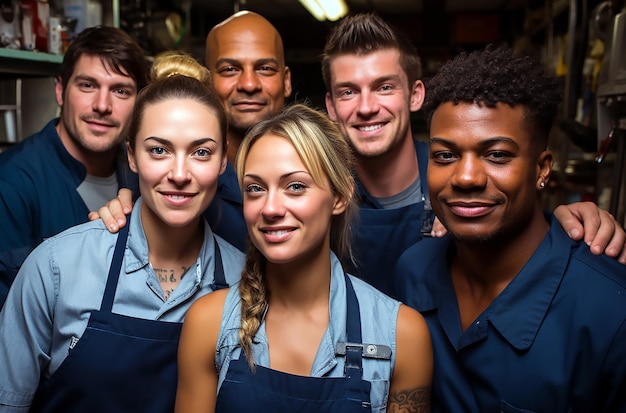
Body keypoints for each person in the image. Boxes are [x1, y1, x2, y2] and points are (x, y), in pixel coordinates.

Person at [0, 51, 244, 412]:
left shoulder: (246, 283)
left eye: (201, 152)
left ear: (223, 161)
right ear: (131, 157)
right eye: (159, 150)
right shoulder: (56, 268)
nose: (179, 173)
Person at [321, 13, 626, 298]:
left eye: (384, 87)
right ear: (331, 106)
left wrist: (567, 223)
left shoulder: (455, 180)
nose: (365, 107)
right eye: (347, 92)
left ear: (415, 95)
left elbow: (519, 222)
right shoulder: (316, 190)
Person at [395, 44, 626, 412]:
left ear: (542, 168)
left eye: (497, 155)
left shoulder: (610, 312)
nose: (466, 177)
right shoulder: (413, 270)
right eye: (445, 155)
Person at [175, 104, 433, 413]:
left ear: (340, 196)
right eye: (255, 189)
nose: (270, 208)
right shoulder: (208, 322)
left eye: (295, 186)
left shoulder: (402, 335)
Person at [98, 11, 293, 252]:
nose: (249, 84)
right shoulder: (154, 172)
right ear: (207, 81)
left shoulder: (316, 170)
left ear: (286, 81)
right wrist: (120, 212)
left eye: (265, 68)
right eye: (230, 69)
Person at [0, 26, 148, 308]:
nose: (102, 105)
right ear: (60, 90)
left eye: (120, 90)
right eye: (88, 85)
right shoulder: (11, 185)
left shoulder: (147, 175)